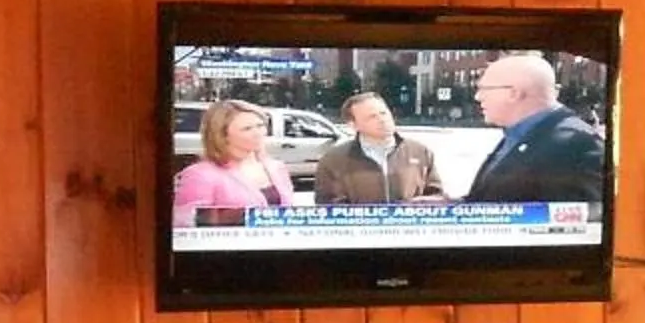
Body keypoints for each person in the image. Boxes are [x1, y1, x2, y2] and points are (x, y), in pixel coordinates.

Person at [462, 53, 607, 204]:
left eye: (485, 89)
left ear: (514, 93)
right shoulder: (520, 133)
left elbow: (582, 220)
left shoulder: (576, 146)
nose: (477, 97)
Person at [170, 99, 298, 224]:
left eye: (260, 125)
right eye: (247, 129)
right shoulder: (199, 175)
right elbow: (185, 223)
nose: (258, 133)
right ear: (223, 136)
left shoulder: (276, 167)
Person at [311, 92, 445, 203]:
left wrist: (419, 205)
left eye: (384, 113)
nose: (382, 119)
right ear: (354, 125)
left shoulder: (420, 152)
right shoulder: (333, 160)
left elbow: (437, 196)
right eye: (372, 117)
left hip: (409, 231)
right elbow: (327, 207)